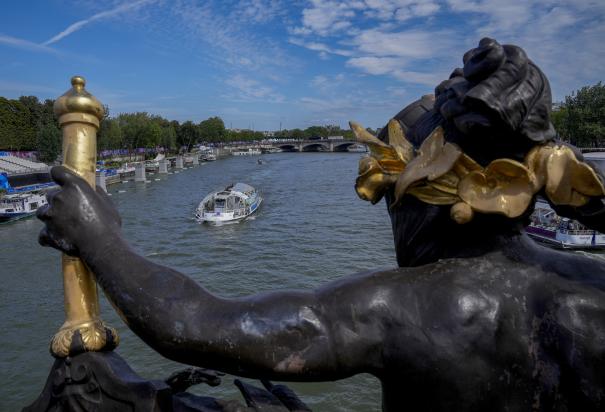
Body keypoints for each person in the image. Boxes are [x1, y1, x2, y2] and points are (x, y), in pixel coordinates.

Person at [37, 39, 605, 411]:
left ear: (433, 183)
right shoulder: (588, 290)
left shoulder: (403, 307)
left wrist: (99, 236)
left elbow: (192, 325)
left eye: (389, 194)